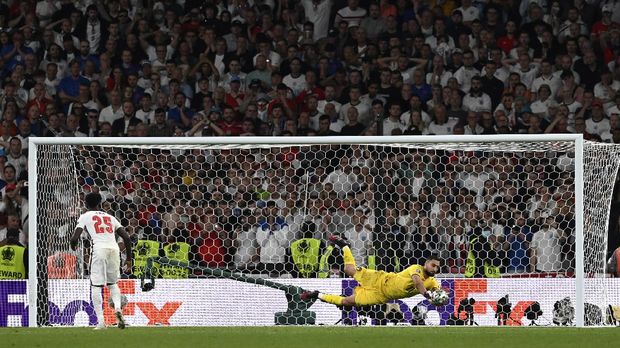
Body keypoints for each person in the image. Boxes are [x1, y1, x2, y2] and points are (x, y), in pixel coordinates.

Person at [301, 235, 443, 307]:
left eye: (437, 267)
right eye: (433, 265)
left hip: (381, 296)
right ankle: (344, 246)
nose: (435, 269)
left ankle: (317, 295)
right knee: (348, 269)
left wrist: (440, 299)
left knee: (346, 302)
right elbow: (418, 282)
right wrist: (428, 295)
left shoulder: (432, 282)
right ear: (426, 263)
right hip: (380, 279)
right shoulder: (416, 268)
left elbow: (440, 293)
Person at [70, 192, 132, 330]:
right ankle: (117, 309)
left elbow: (75, 238)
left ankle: (101, 322)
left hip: (98, 250)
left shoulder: (85, 216)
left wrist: (73, 246)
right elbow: (127, 238)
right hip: (114, 249)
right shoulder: (110, 217)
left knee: (96, 286)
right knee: (113, 283)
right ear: (100, 203)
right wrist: (128, 259)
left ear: (86, 204)